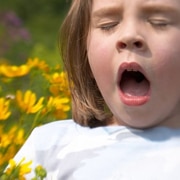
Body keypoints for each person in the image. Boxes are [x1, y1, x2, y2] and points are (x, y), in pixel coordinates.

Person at [15, 0, 180, 179]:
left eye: (159, 21)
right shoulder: (49, 145)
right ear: (85, 55)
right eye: (108, 25)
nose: (129, 35)